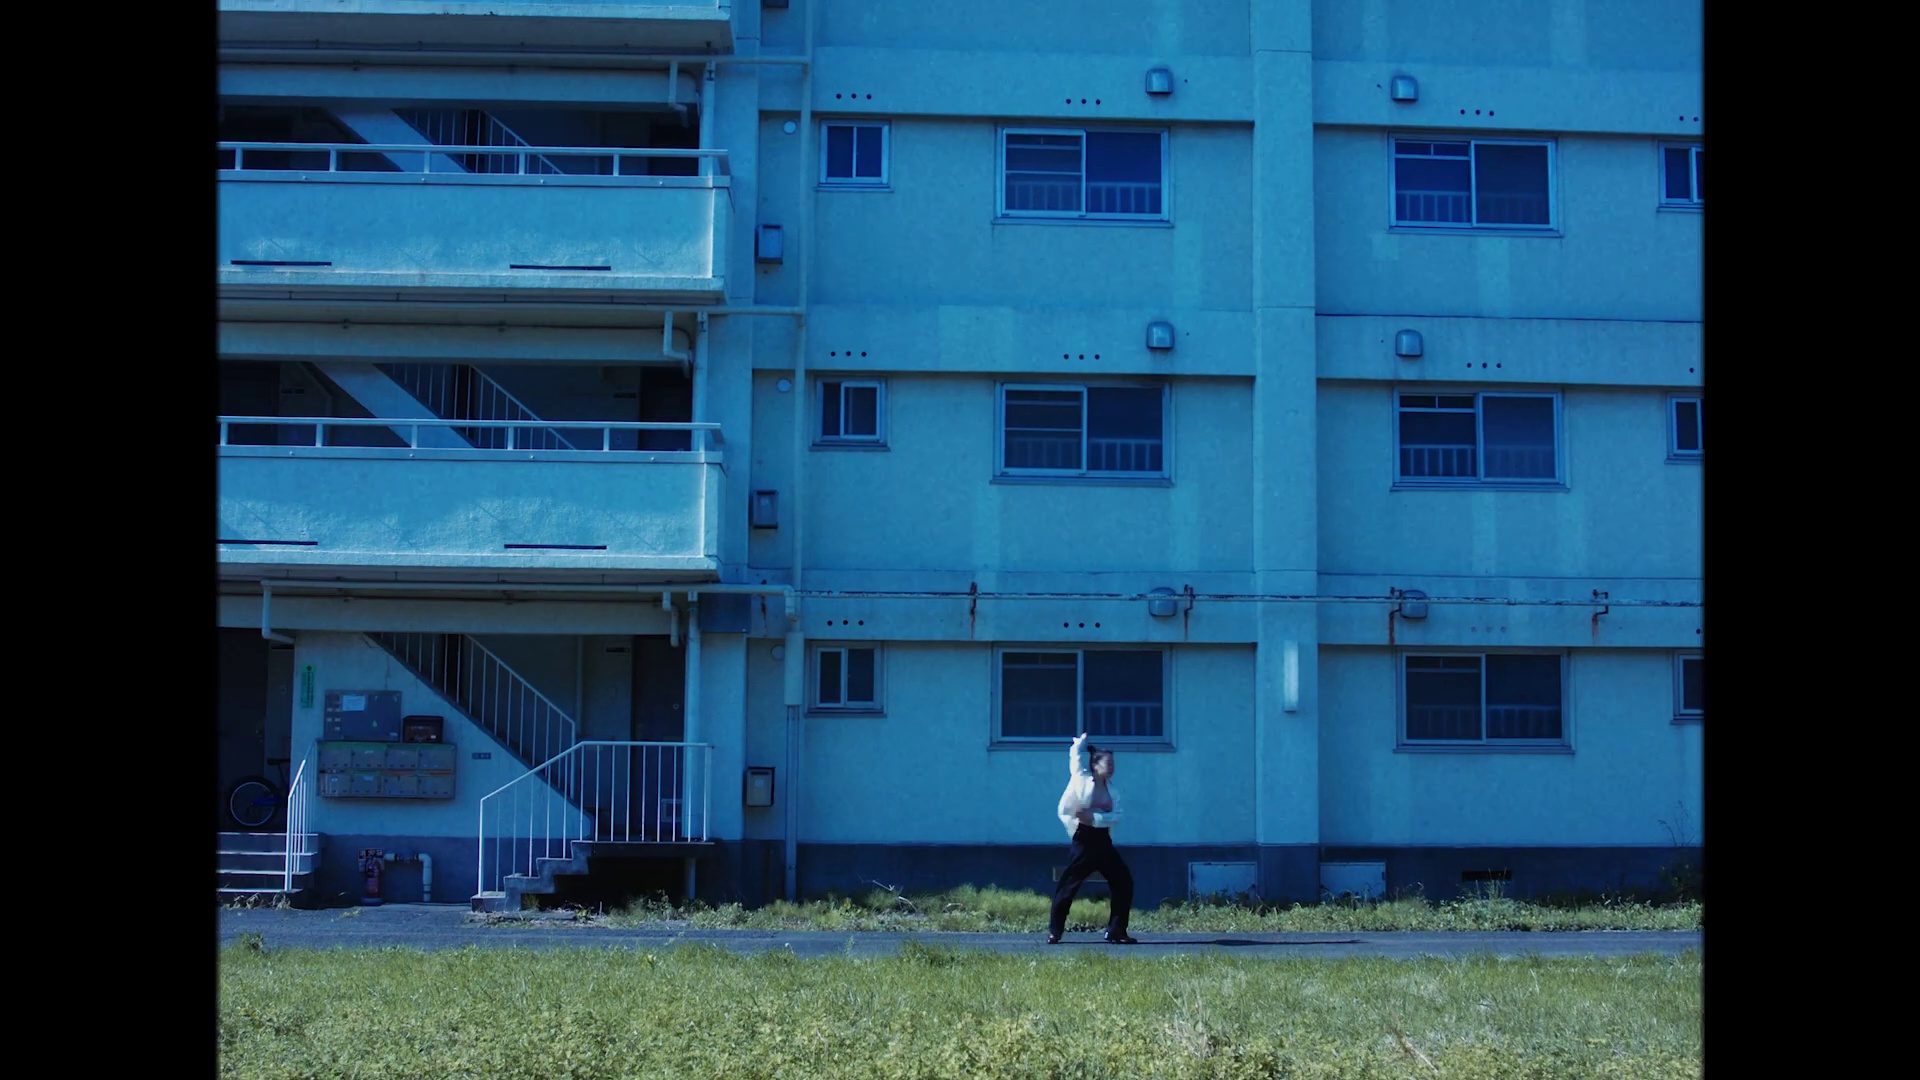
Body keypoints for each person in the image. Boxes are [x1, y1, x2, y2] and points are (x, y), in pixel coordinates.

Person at [1046, 732, 1138, 944]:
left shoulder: (1112, 791)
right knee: (1069, 885)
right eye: (1108, 763)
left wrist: (1095, 817)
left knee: (1124, 881)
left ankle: (1116, 930)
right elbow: (1076, 758)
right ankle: (1055, 931)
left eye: (1113, 763)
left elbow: (1117, 816)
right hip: (1084, 841)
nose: (1112, 767)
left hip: (1103, 841)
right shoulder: (1082, 780)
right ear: (1095, 765)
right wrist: (1080, 744)